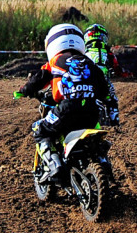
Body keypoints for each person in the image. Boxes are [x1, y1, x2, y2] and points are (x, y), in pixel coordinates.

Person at [15, 24, 109, 182]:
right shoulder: (90, 63)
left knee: (40, 130)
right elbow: (104, 90)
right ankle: (103, 161)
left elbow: (38, 80)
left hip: (67, 109)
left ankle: (54, 165)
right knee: (94, 140)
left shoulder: (55, 61)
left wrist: (24, 90)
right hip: (92, 111)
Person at [83, 23, 127, 126]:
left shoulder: (82, 51)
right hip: (103, 81)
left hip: (85, 81)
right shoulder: (108, 52)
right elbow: (116, 67)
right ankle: (115, 124)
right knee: (112, 100)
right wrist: (122, 73)